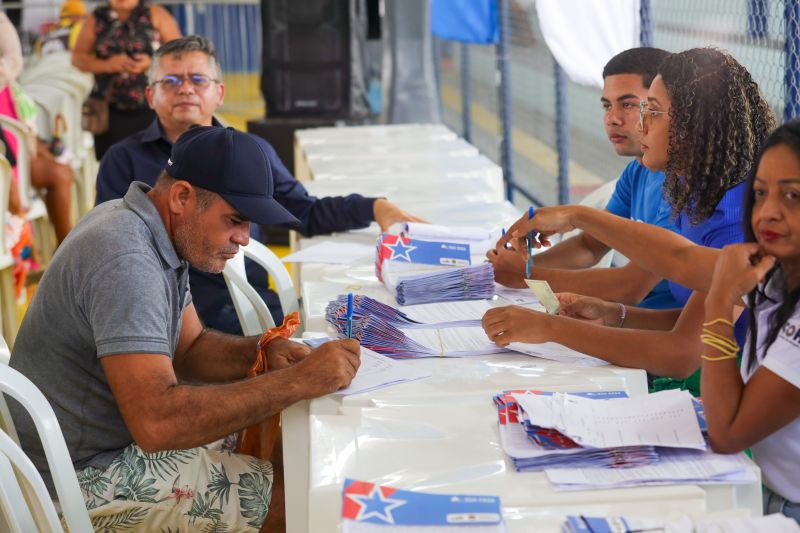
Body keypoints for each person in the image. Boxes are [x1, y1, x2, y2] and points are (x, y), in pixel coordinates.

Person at [8, 125, 362, 531]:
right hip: (73, 478)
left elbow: (190, 348)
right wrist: (298, 381)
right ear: (181, 197)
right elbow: (158, 424)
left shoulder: (150, 226)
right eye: (235, 220)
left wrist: (262, 352)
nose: (244, 238)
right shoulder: (127, 260)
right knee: (302, 497)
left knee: (296, 448)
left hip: (108, 442)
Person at [494, 121, 800, 522]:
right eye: (760, 193)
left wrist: (720, 303)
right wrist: (578, 219)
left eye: (792, 195)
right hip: (766, 484)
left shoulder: (729, 221)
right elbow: (680, 259)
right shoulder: (777, 265)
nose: (769, 211)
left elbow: (728, 431)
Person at [485, 48, 775, 392]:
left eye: (650, 110)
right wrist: (614, 315)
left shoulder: (739, 217)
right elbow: (694, 317)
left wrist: (547, 323)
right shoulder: (694, 192)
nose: (639, 124)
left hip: (740, 393)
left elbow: (681, 352)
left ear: (695, 124)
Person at [95, 34, 423, 334]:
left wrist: (373, 207)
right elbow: (121, 251)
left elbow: (304, 212)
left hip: (255, 305)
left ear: (219, 93)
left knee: (362, 328)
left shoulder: (250, 153)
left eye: (198, 79)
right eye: (170, 81)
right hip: (172, 317)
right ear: (150, 95)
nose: (185, 89)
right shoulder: (122, 160)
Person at [488, 47, 680, 310]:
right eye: (607, 106)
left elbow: (630, 287)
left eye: (628, 105)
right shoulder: (637, 171)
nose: (612, 119)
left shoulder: (684, 188)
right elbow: (591, 246)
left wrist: (527, 275)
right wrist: (513, 266)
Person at [71, 0, 181, 160]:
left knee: (154, 163)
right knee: (114, 164)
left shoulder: (155, 14)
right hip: (109, 109)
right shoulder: (96, 18)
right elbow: (77, 58)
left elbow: (179, 53)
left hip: (152, 107)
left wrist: (151, 63)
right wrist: (108, 65)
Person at [1, 12, 74, 244]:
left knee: (60, 170)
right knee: (57, 173)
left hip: (9, 112)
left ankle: (65, 248)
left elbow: (14, 59)